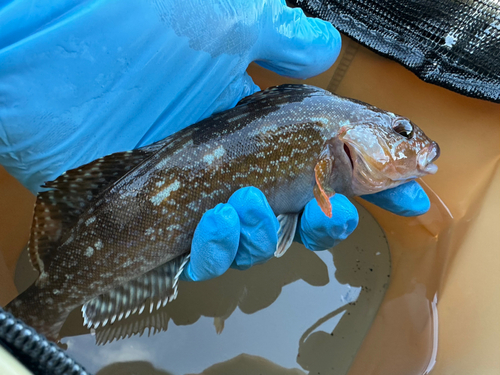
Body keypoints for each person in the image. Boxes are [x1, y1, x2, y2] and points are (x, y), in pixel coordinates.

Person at [0, 0, 430, 282]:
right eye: (402, 131)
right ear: (350, 137)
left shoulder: (326, 124)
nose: (414, 143)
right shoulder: (327, 122)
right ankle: (50, 301)